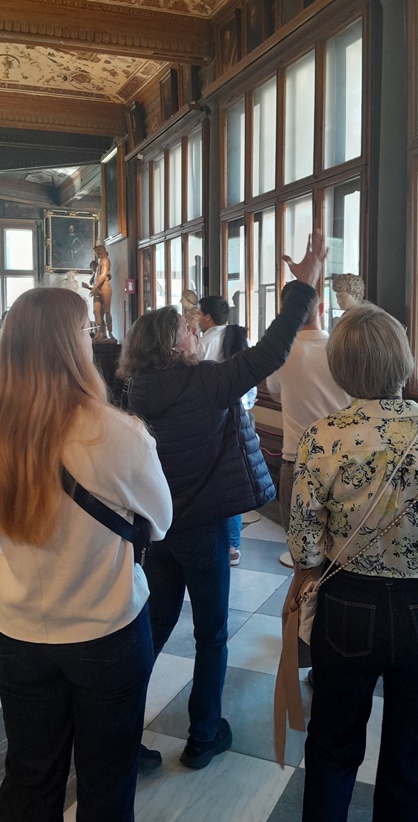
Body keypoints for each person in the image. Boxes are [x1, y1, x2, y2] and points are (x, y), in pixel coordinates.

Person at [118, 232, 325, 771]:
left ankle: (119, 735)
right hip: (206, 528)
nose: (196, 332)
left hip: (159, 529)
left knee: (153, 630)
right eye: (188, 329)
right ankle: (204, 735)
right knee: (211, 633)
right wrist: (302, 289)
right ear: (172, 346)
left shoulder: (138, 390)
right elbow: (271, 351)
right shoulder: (205, 385)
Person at [288, 304, 418, 822]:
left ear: (340, 367)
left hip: (347, 603)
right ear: (404, 361)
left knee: (332, 746)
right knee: (415, 755)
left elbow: (306, 549)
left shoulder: (322, 439)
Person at [0, 287, 171, 822]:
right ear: (68, 346)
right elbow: (161, 521)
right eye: (86, 331)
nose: (92, 341)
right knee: (107, 780)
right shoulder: (116, 433)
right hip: (104, 629)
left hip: (16, 631)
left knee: (30, 776)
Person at [266, 283, 350, 567]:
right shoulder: (343, 348)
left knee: (303, 561)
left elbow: (274, 391)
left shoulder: (283, 352)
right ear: (323, 310)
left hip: (298, 461)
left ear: (286, 313)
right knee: (341, 554)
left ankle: (304, 611)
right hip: (345, 463)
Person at [198, 294, 257, 566]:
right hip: (242, 416)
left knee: (211, 480)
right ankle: (233, 546)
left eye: (198, 314)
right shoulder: (238, 340)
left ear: (207, 316)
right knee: (233, 481)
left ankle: (217, 541)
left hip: (212, 420)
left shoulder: (204, 344)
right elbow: (251, 384)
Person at [91, 245, 113, 340]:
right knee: (96, 311)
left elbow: (103, 275)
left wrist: (95, 287)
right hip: (98, 288)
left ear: (103, 251)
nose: (98, 253)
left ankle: (110, 333)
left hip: (104, 287)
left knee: (106, 311)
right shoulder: (100, 262)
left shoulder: (105, 261)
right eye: (96, 252)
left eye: (99, 251)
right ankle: (100, 332)